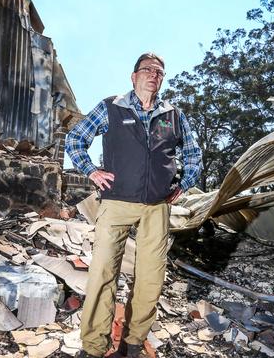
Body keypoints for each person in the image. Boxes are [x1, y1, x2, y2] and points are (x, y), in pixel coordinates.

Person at [65, 52, 202, 358]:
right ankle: (94, 347)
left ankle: (132, 344)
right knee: (102, 274)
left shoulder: (173, 116)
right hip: (116, 203)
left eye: (159, 72)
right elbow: (75, 139)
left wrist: (184, 183)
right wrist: (91, 170)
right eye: (147, 70)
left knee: (151, 277)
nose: (154, 75)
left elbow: (193, 154)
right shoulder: (111, 107)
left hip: (156, 206)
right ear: (134, 76)